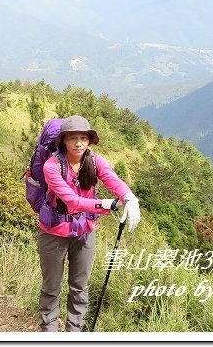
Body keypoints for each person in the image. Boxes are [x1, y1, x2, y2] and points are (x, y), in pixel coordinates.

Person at [36, 115, 141, 332]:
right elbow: (72, 202)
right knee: (51, 287)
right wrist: (106, 204)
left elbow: (112, 179)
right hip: (53, 231)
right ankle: (48, 333)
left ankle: (74, 333)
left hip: (84, 231)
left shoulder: (94, 161)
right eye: (72, 138)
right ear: (63, 140)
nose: (78, 143)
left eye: (83, 137)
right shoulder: (52, 166)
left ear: (89, 140)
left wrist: (128, 196)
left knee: (80, 287)